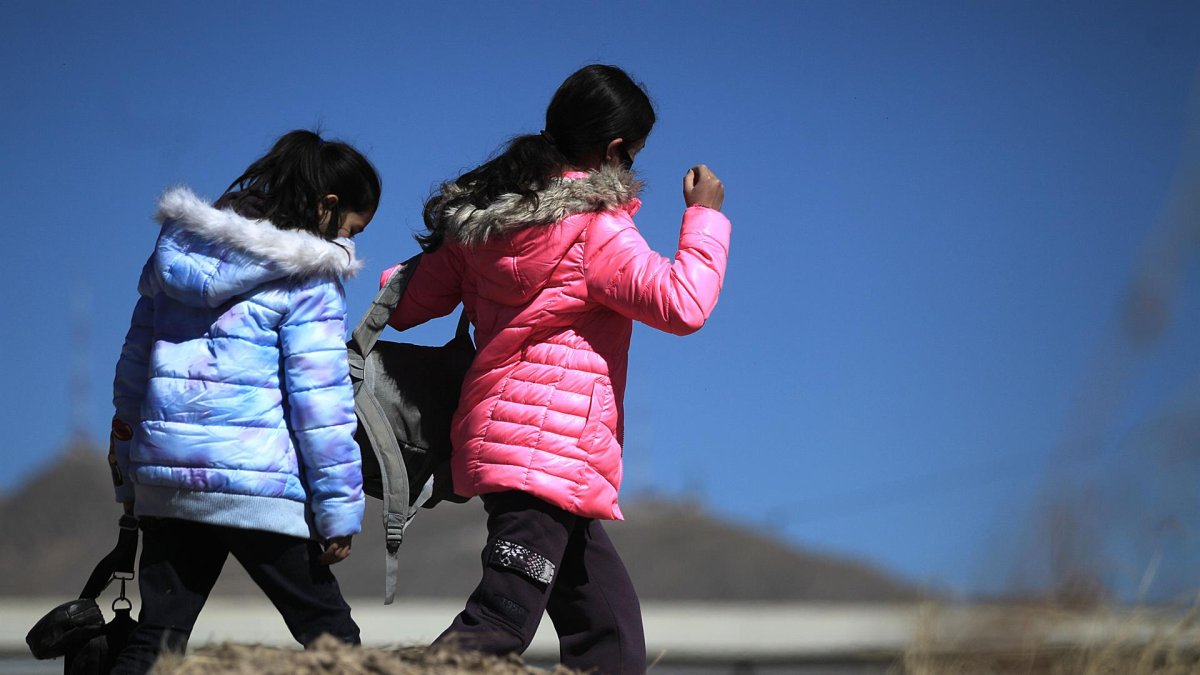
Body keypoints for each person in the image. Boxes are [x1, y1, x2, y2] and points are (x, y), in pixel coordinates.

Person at [382, 64, 730, 673]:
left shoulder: (484, 223)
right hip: (549, 454)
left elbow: (406, 306)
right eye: (633, 154)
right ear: (614, 150)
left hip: (516, 449)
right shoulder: (597, 229)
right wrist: (704, 215)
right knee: (500, 621)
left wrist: (444, 246)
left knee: (610, 635)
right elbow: (683, 303)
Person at [107, 129, 379, 674]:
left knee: (156, 640)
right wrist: (338, 510)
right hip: (258, 486)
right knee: (333, 637)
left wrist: (129, 480)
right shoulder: (309, 277)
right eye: (349, 231)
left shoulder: (175, 257)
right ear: (326, 207)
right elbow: (320, 405)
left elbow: (132, 375)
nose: (346, 245)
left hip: (170, 484)